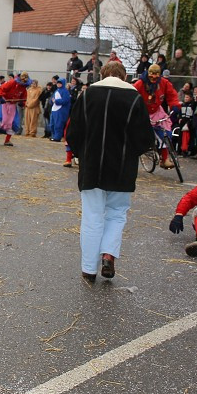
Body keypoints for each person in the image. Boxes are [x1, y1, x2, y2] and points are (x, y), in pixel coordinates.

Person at [66, 61, 154, 284]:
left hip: (92, 166)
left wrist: (81, 154)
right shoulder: (134, 98)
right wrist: (131, 153)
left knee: (92, 217)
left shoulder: (87, 96)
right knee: (116, 214)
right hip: (122, 167)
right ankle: (108, 255)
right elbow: (145, 138)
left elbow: (74, 131)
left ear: (103, 74)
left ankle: (88, 269)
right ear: (124, 77)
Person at [132, 64, 180, 168]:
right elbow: (132, 94)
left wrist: (175, 106)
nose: (154, 78)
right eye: (151, 75)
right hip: (143, 112)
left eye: (156, 75)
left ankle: (165, 158)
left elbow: (172, 95)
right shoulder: (140, 83)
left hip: (157, 111)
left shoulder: (164, 83)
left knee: (165, 133)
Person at [0, 73, 27, 146]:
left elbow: (24, 97)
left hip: (12, 105)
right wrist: (0, 97)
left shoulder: (23, 87)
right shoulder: (11, 83)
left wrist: (22, 103)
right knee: (0, 120)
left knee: (12, 122)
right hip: (3, 104)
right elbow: (0, 89)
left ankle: (7, 140)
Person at [48, 78, 71, 143]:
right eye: (58, 83)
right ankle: (53, 135)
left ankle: (57, 137)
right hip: (54, 109)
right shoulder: (56, 91)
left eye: (60, 83)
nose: (58, 84)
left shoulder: (65, 91)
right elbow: (52, 99)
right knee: (52, 124)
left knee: (58, 124)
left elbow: (66, 100)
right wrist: (51, 102)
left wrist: (56, 101)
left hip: (60, 110)